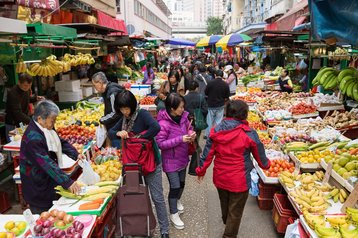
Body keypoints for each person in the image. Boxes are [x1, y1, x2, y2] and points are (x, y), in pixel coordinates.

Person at [196, 100, 270, 238]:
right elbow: (260, 155)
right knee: (235, 211)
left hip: (220, 178)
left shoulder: (216, 130)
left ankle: (227, 224)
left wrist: (201, 170)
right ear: (244, 115)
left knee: (225, 205)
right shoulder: (249, 133)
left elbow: (207, 154)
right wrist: (266, 165)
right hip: (239, 180)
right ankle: (229, 234)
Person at [108, 90, 170, 238]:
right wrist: (118, 133)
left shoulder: (142, 114)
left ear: (133, 105)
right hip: (134, 165)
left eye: (127, 108)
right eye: (122, 109)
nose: (125, 111)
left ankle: (164, 229)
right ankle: (144, 227)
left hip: (151, 161)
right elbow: (111, 131)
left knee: (157, 197)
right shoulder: (123, 118)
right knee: (139, 196)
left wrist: (138, 138)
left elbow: (156, 128)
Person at [20, 100, 85, 214]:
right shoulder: (33, 138)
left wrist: (76, 154)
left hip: (48, 182)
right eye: (52, 120)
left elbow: (60, 142)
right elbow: (46, 163)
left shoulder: (46, 127)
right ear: (40, 119)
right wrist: (67, 182)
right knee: (44, 217)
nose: (54, 124)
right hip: (37, 186)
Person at [156, 93, 196, 230]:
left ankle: (177, 201)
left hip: (183, 157)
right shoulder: (163, 124)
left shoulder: (183, 117)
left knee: (182, 184)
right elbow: (160, 144)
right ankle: (173, 214)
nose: (183, 109)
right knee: (174, 187)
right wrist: (180, 139)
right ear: (172, 109)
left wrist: (191, 133)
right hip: (170, 161)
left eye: (183, 106)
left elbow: (188, 128)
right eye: (180, 107)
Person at [5, 73, 44, 142]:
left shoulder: (27, 90)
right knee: (13, 144)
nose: (28, 87)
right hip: (12, 123)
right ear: (19, 82)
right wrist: (31, 122)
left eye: (30, 85)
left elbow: (27, 99)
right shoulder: (13, 93)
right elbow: (17, 112)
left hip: (22, 122)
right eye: (26, 85)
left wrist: (35, 98)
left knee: (23, 142)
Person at [204, 70, 230, 139]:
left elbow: (206, 92)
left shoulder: (210, 83)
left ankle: (208, 135)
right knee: (218, 120)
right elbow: (227, 96)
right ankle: (217, 133)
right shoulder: (225, 84)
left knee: (209, 120)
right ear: (222, 76)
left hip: (210, 105)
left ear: (215, 75)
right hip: (220, 105)